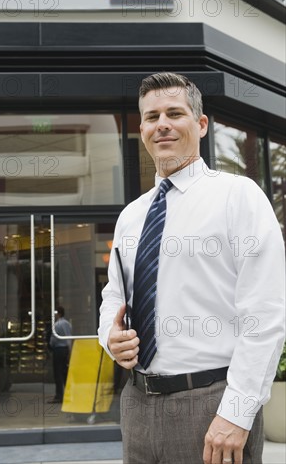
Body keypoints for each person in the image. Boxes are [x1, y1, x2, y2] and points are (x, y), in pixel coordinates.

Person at [98, 72, 285, 464]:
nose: (161, 124)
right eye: (151, 117)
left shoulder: (239, 197)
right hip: (136, 404)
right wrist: (108, 336)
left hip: (212, 404)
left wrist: (236, 412)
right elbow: (113, 295)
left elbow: (265, 314)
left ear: (200, 125)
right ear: (143, 129)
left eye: (174, 113)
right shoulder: (131, 216)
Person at [49, 306, 72, 403]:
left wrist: (50, 345)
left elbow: (53, 339)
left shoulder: (57, 324)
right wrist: (69, 350)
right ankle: (68, 394)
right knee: (65, 372)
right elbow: (69, 337)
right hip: (65, 349)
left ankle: (59, 395)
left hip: (58, 350)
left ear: (58, 314)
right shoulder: (67, 324)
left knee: (58, 373)